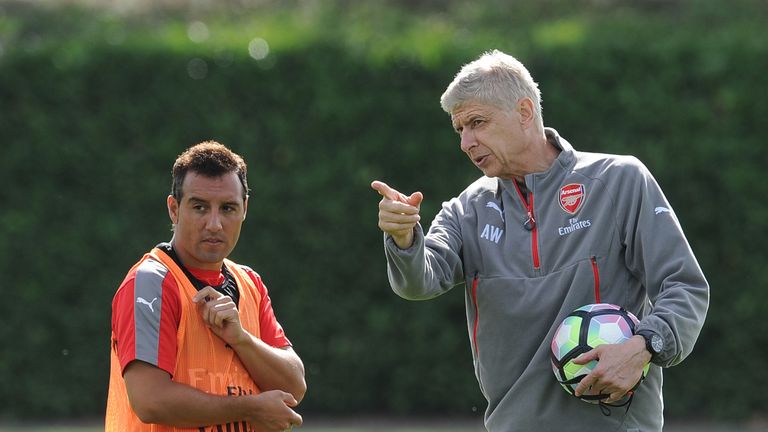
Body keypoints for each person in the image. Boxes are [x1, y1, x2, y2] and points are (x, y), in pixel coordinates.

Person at [371, 50, 709, 432]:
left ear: (525, 112)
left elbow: (684, 286)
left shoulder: (619, 181)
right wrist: (403, 238)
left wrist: (643, 346)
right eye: (459, 130)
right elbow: (420, 282)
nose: (466, 142)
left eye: (477, 123)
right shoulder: (467, 210)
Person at [106, 141, 306, 432]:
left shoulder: (249, 282)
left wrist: (242, 339)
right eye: (199, 207)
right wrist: (251, 408)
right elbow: (151, 401)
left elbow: (294, 386)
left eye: (227, 208)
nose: (214, 224)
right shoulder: (151, 283)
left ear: (245, 209)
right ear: (174, 209)